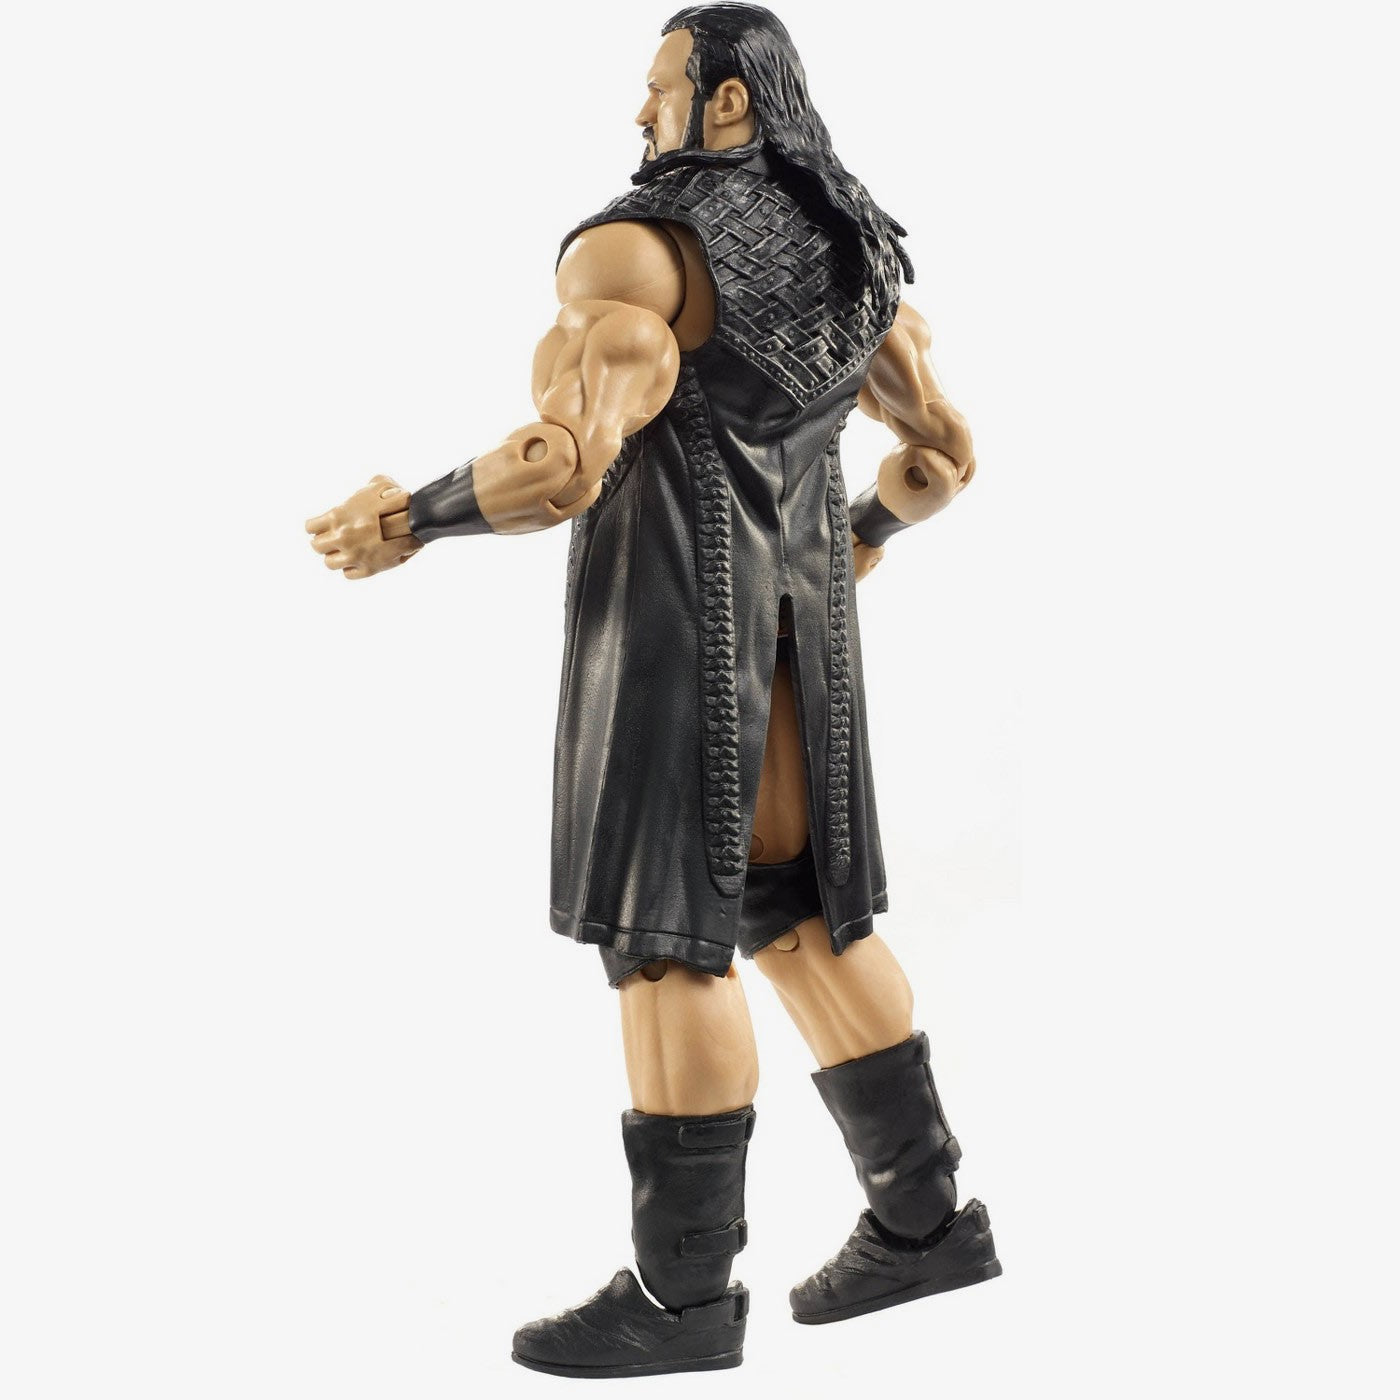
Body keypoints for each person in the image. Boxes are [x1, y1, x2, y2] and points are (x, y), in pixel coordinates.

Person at [306, 4, 999, 1378]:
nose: (641, 114)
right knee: (802, 918)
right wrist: (858, 538)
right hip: (812, 644)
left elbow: (563, 465)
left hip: (677, 643)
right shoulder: (854, 244)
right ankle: (926, 1226)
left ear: (728, 102)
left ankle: (681, 1304)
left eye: (660, 87)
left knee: (669, 945)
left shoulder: (634, 253)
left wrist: (407, 522)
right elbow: (941, 459)